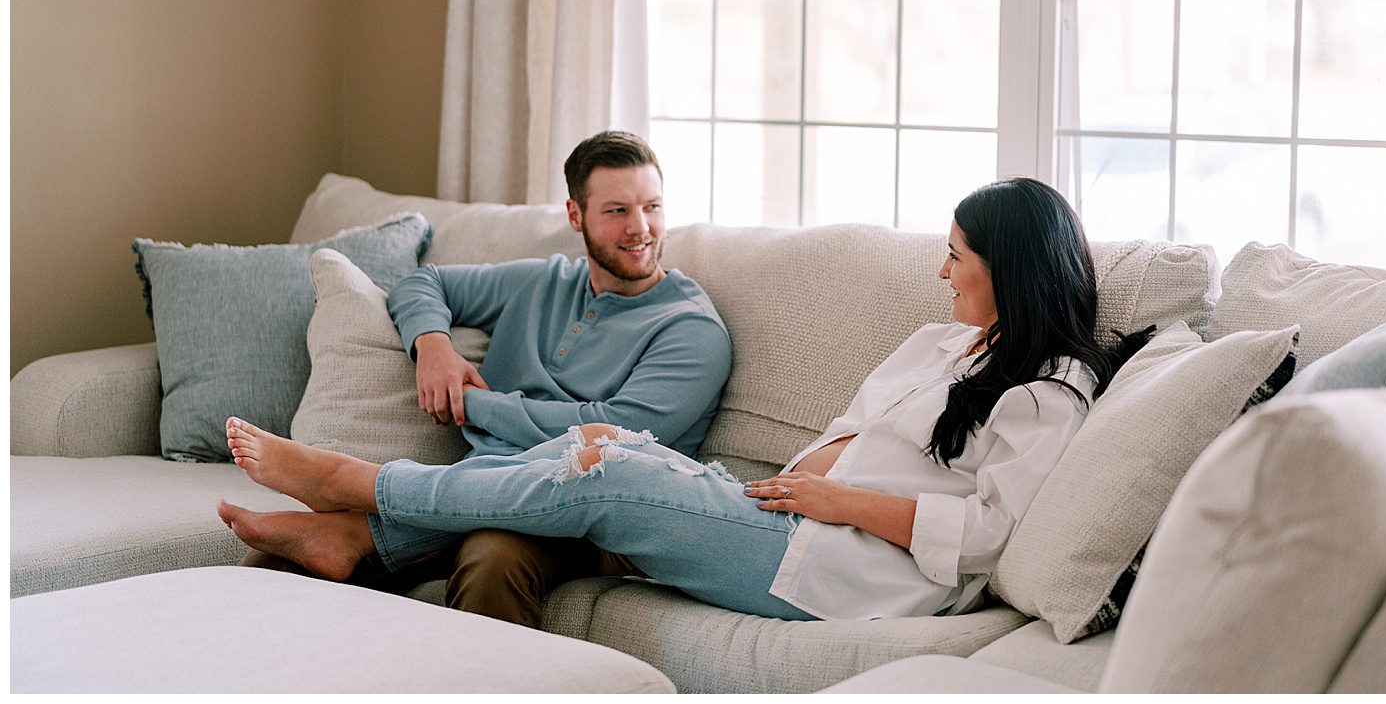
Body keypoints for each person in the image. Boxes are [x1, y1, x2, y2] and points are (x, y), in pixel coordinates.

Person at [219, 177, 1152, 621]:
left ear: (1012, 270)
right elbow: (848, 432)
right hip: (781, 515)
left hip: (839, 566)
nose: (941, 271)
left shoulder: (1047, 394)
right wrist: (797, 482)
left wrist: (840, 500)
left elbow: (991, 536)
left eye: (958, 256)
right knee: (591, 447)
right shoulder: (947, 341)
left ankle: (360, 487)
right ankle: (361, 524)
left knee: (607, 466)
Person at [241, 130, 733, 629]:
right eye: (617, 211)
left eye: (652, 206)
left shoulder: (691, 329)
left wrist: (473, 403)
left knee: (491, 557)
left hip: (603, 514)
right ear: (575, 215)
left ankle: (351, 504)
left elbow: (615, 434)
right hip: (486, 478)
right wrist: (433, 347)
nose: (641, 228)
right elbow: (424, 282)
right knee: (275, 564)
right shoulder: (544, 281)